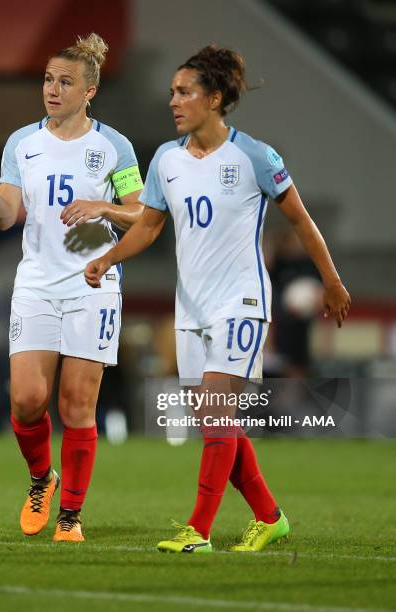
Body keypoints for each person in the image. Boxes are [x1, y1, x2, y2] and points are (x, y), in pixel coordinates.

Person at [85, 45, 350, 553]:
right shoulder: (166, 159)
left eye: (184, 92)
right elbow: (148, 228)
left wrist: (331, 280)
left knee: (214, 409)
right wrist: (108, 258)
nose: (174, 101)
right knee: (214, 421)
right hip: (192, 309)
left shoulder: (255, 156)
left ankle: (197, 530)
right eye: (171, 93)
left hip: (242, 300)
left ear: (214, 98)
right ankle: (270, 517)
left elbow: (300, 219)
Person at [0, 33, 143, 542]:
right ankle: (42, 480)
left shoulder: (114, 146)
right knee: (25, 400)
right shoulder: (23, 142)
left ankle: (69, 517)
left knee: (77, 404)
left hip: (93, 283)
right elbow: (4, 216)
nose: (53, 89)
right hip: (37, 283)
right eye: (48, 79)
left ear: (90, 91)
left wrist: (104, 207)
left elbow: (142, 215)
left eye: (66, 82)